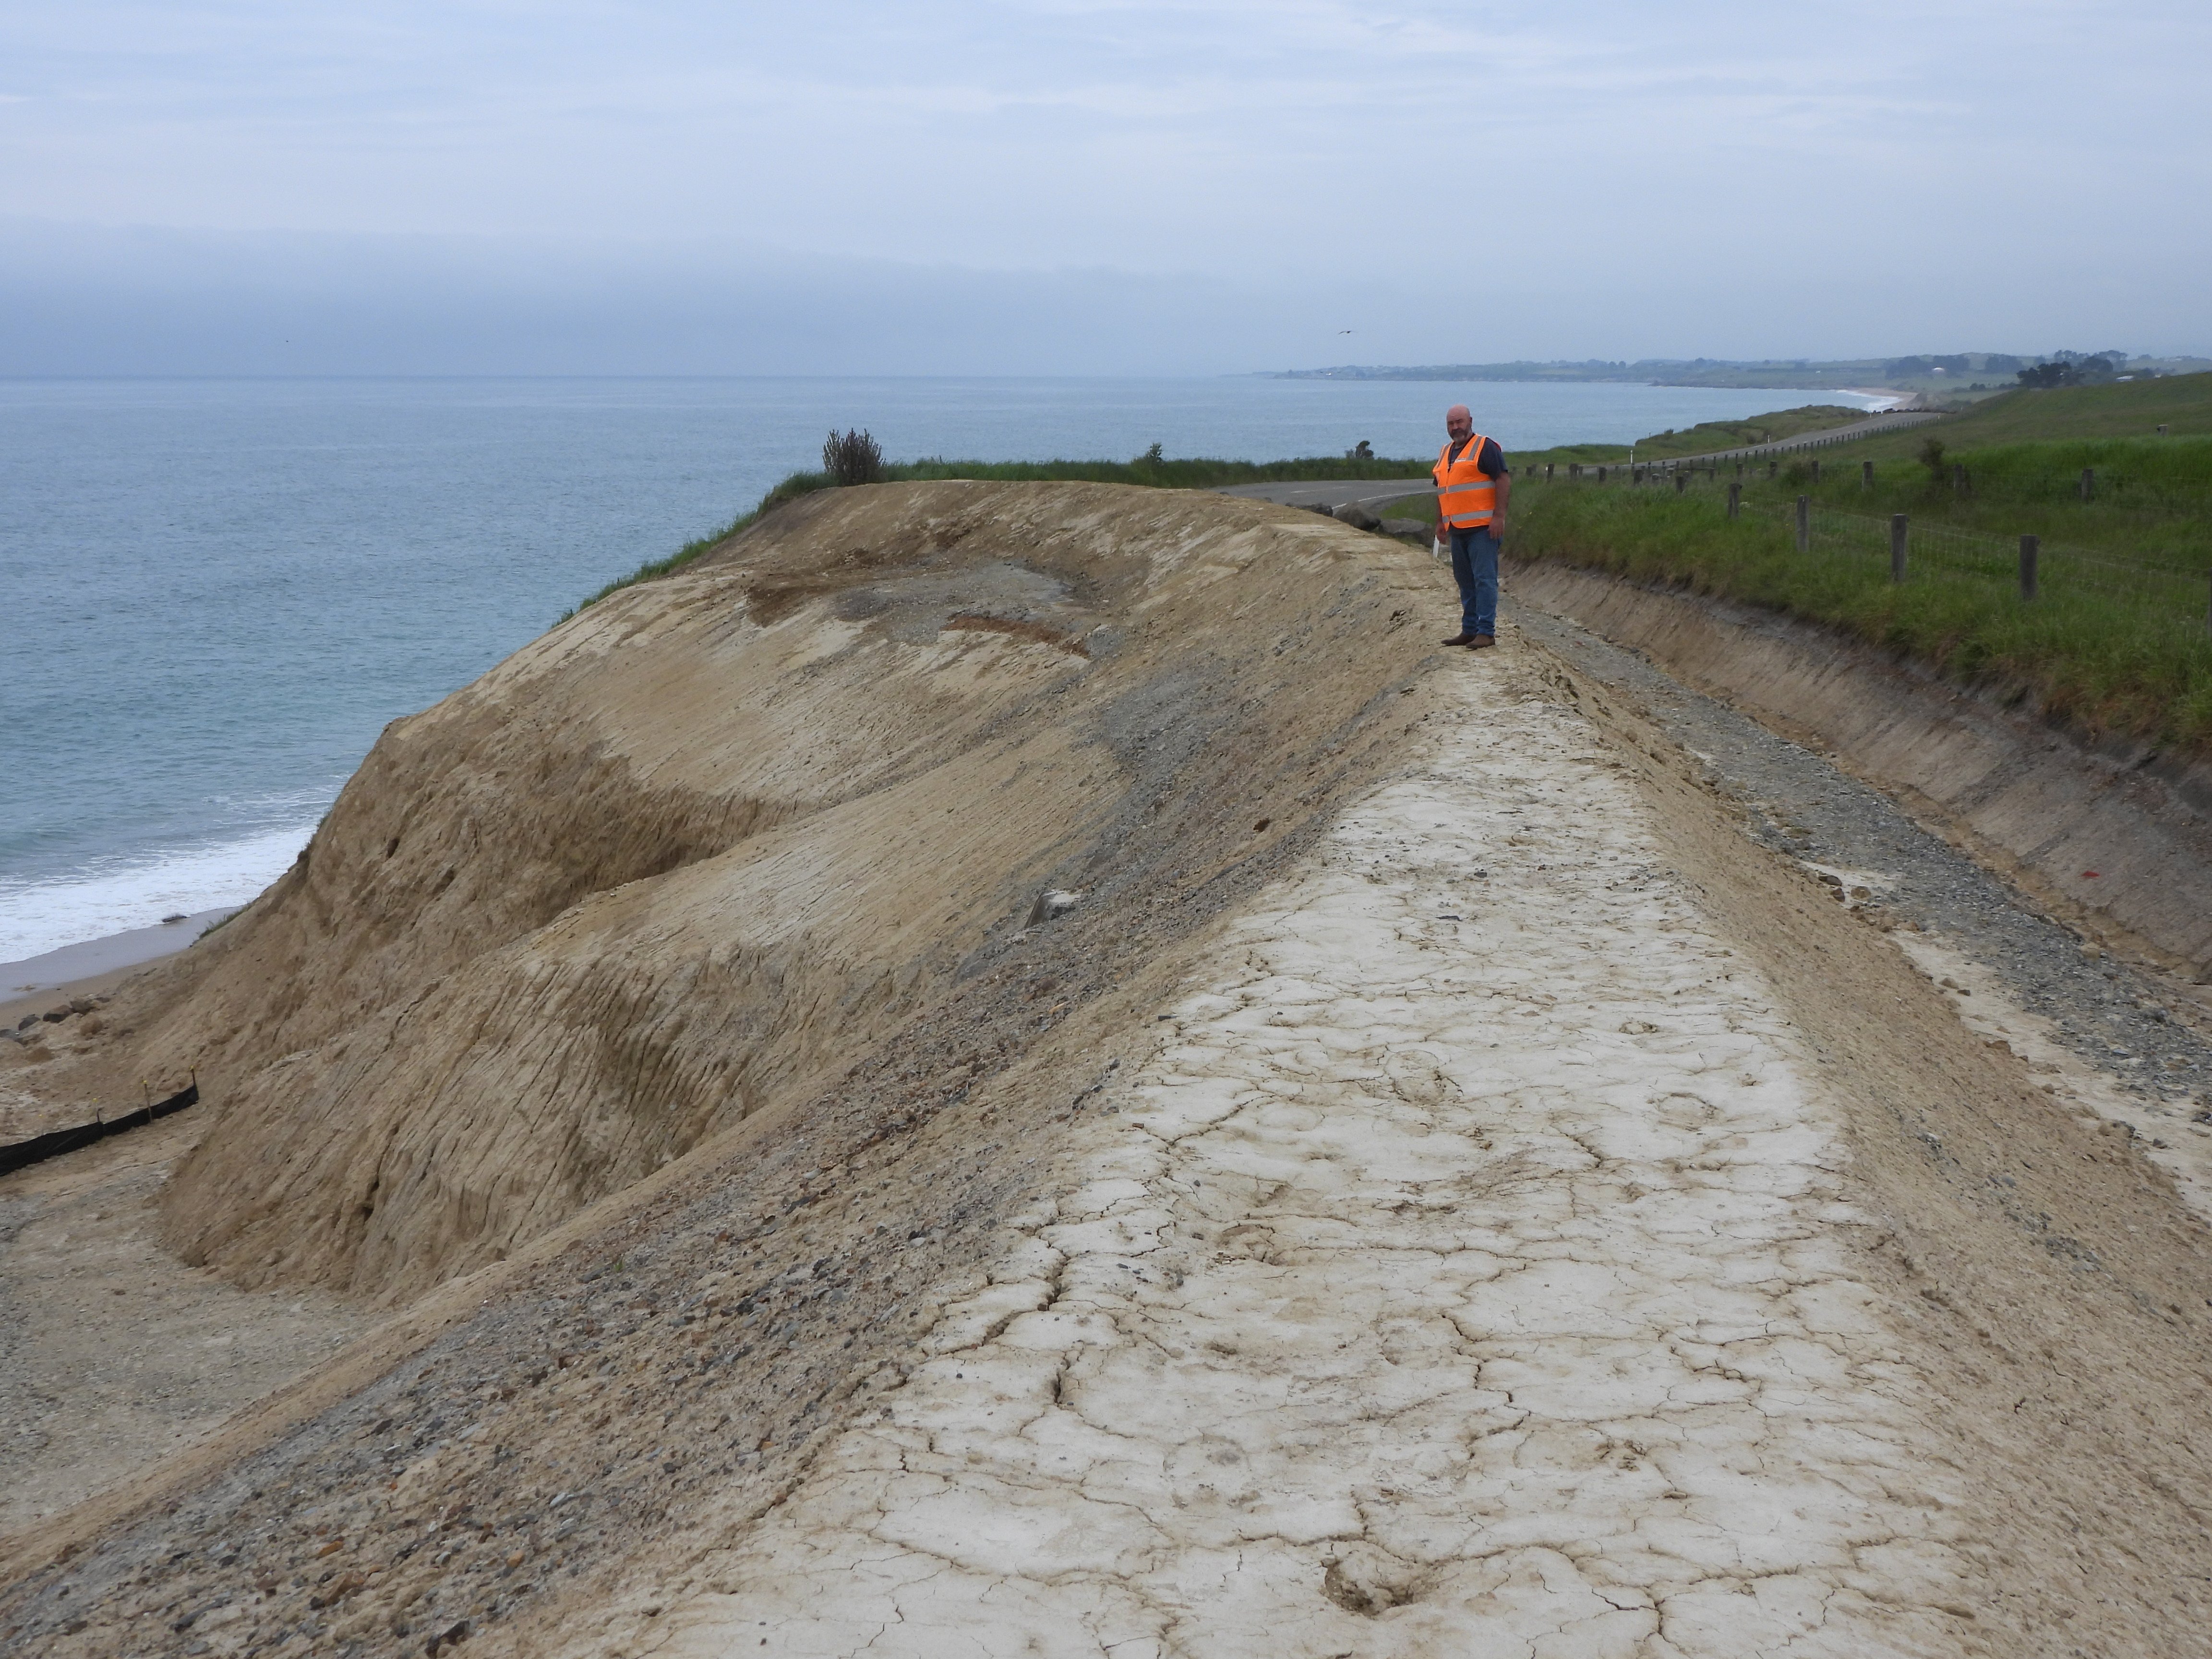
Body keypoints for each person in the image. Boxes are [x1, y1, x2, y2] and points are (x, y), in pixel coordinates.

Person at [1431, 404, 1511, 649]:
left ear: (1470, 421)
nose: (1456, 428)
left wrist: (1499, 517)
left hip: (1482, 530)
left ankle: (1486, 632)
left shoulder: (1484, 447)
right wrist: (1440, 522)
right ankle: (1470, 630)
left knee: (1484, 580)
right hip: (1457, 529)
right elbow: (1442, 490)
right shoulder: (1446, 452)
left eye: (1459, 422)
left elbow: (1503, 479)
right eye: (1451, 424)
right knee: (1464, 580)